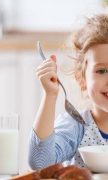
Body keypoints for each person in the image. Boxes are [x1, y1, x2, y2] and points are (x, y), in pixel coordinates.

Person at [29, 13, 108, 170]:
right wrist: (50, 95)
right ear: (82, 79)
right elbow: (40, 163)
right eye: (101, 71)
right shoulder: (76, 126)